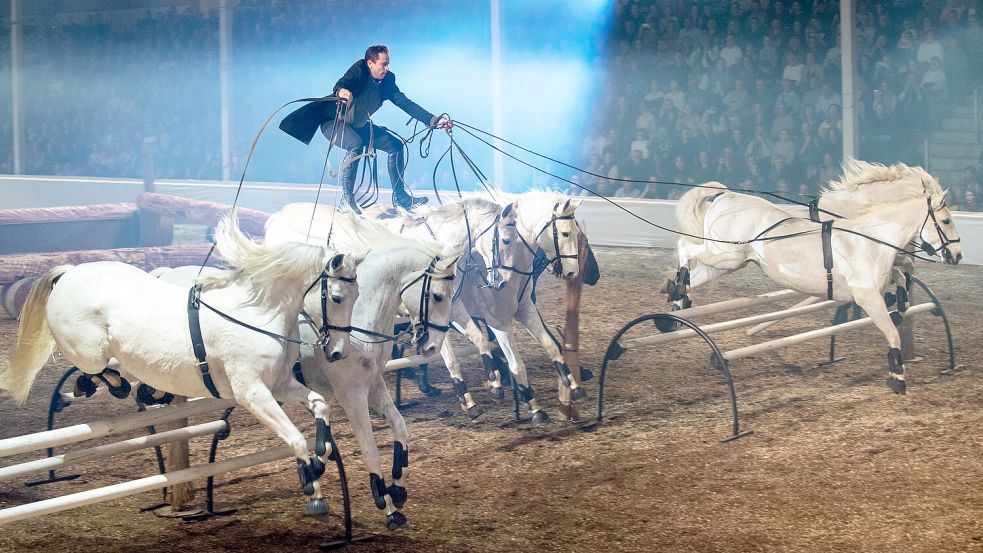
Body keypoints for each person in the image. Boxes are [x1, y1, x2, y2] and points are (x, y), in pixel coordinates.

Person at [280, 45, 452, 212]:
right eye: (383, 64)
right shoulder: (360, 69)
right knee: (355, 144)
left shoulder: (388, 81)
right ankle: (347, 201)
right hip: (332, 122)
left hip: (358, 124)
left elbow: (405, 103)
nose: (386, 68)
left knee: (396, 146)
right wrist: (343, 91)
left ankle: (400, 198)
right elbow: (342, 83)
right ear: (370, 63)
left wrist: (434, 120)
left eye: (388, 64)